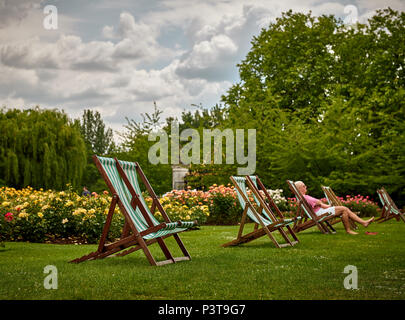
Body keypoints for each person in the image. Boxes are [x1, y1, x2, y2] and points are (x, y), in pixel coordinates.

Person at [294, 181, 374, 235]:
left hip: (319, 211)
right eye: (304, 186)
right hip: (319, 213)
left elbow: (318, 203)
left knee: (344, 210)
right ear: (299, 188)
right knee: (343, 209)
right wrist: (323, 204)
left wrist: (320, 203)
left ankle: (355, 227)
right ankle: (357, 226)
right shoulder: (305, 197)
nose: (306, 187)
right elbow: (319, 203)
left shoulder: (303, 197)